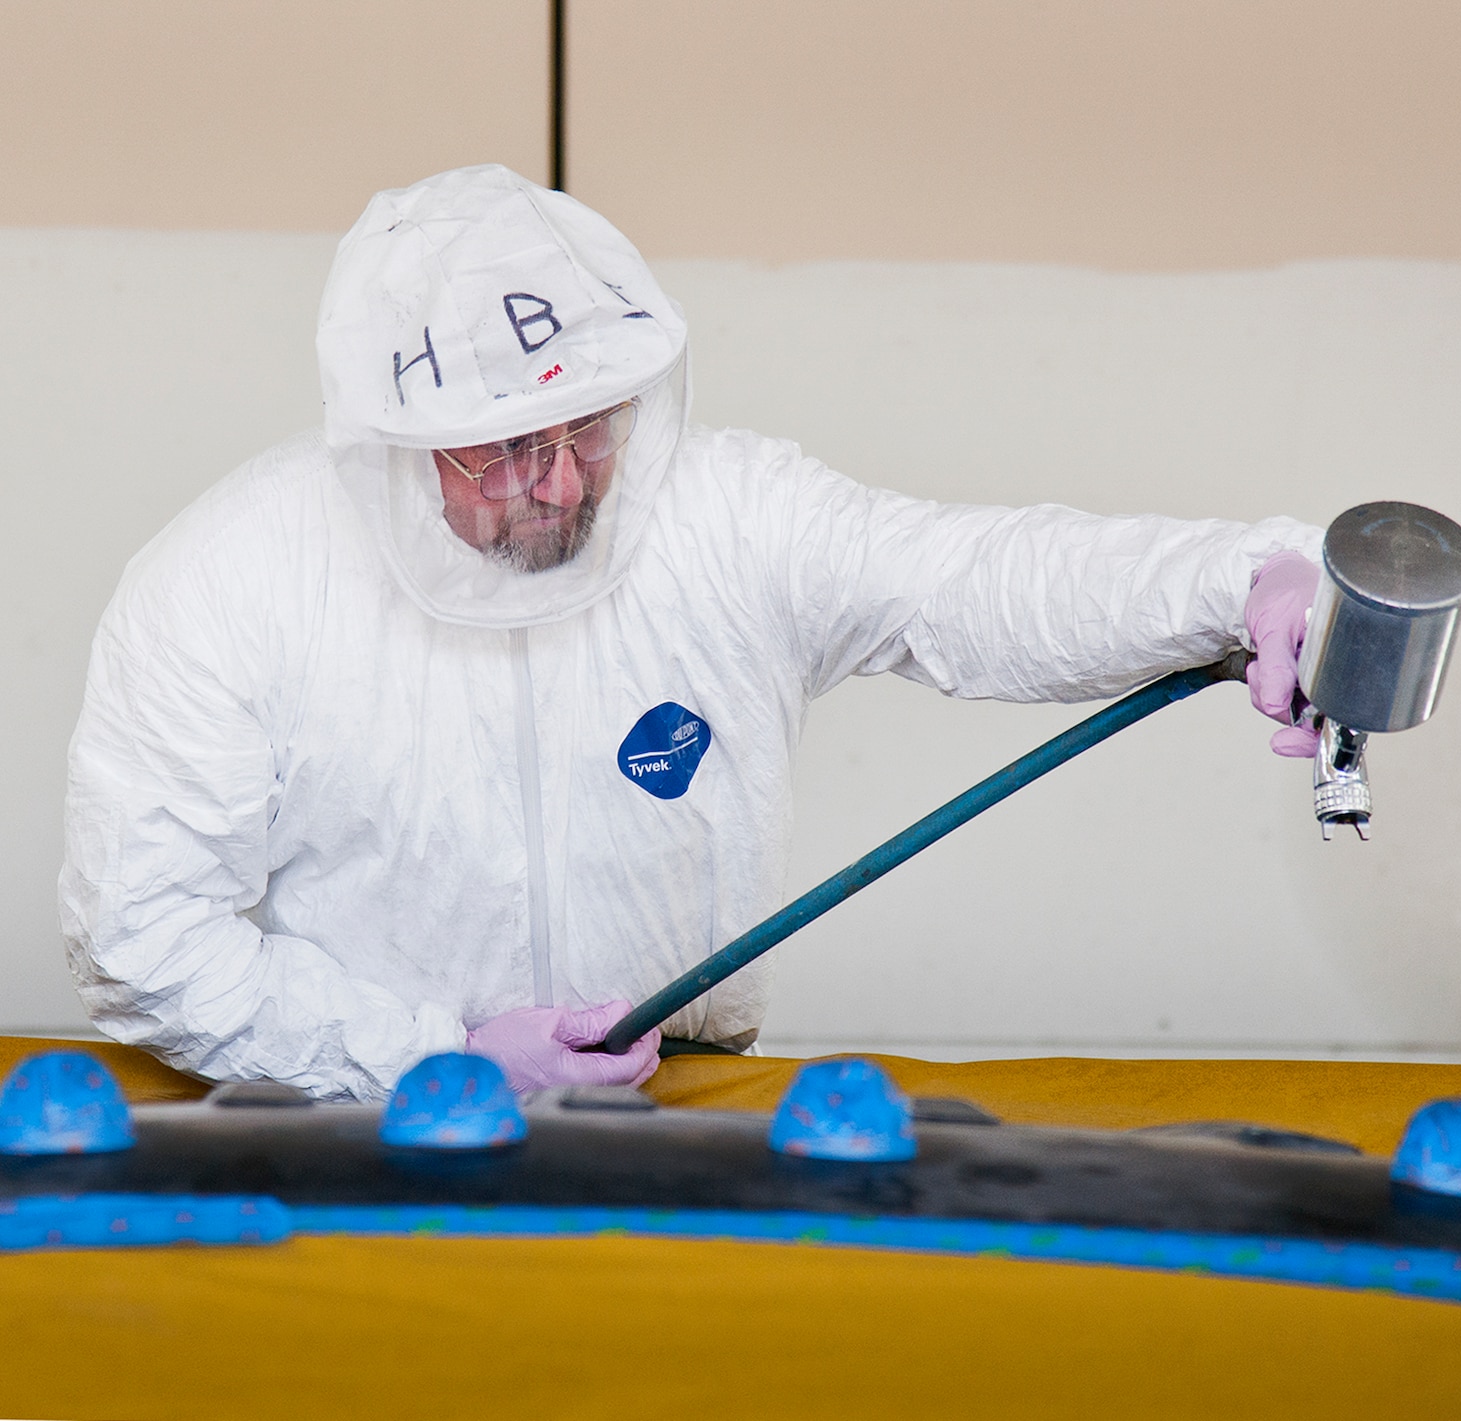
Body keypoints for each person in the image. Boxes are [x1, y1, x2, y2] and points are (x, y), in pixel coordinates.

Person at [58, 166, 1325, 1101]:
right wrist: (430, 1059)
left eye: (589, 425)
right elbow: (148, 936)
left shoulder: (723, 515)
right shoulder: (229, 581)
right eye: (502, 447)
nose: (557, 480)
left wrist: (1239, 579)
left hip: (674, 1106)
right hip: (343, 1130)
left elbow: (967, 579)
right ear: (397, 446)